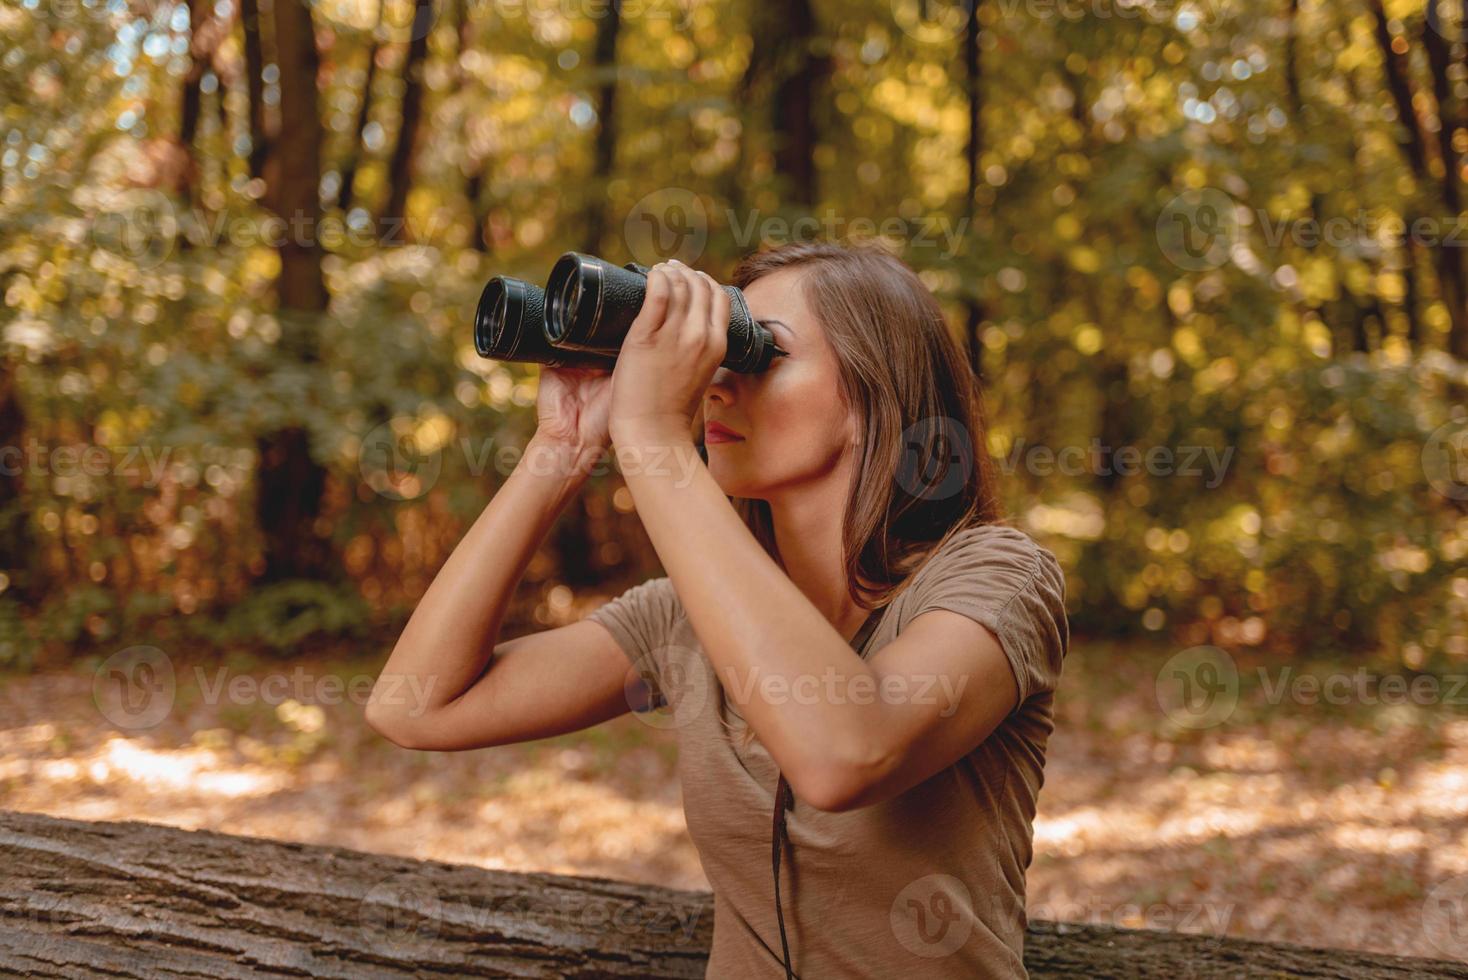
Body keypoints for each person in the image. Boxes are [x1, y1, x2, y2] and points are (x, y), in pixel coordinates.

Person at [367, 239, 1069, 978]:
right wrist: (561, 447)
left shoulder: (998, 579)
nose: (714, 386)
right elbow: (415, 708)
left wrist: (652, 439)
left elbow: (844, 753)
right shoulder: (688, 618)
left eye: (755, 351)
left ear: (873, 397)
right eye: (714, 354)